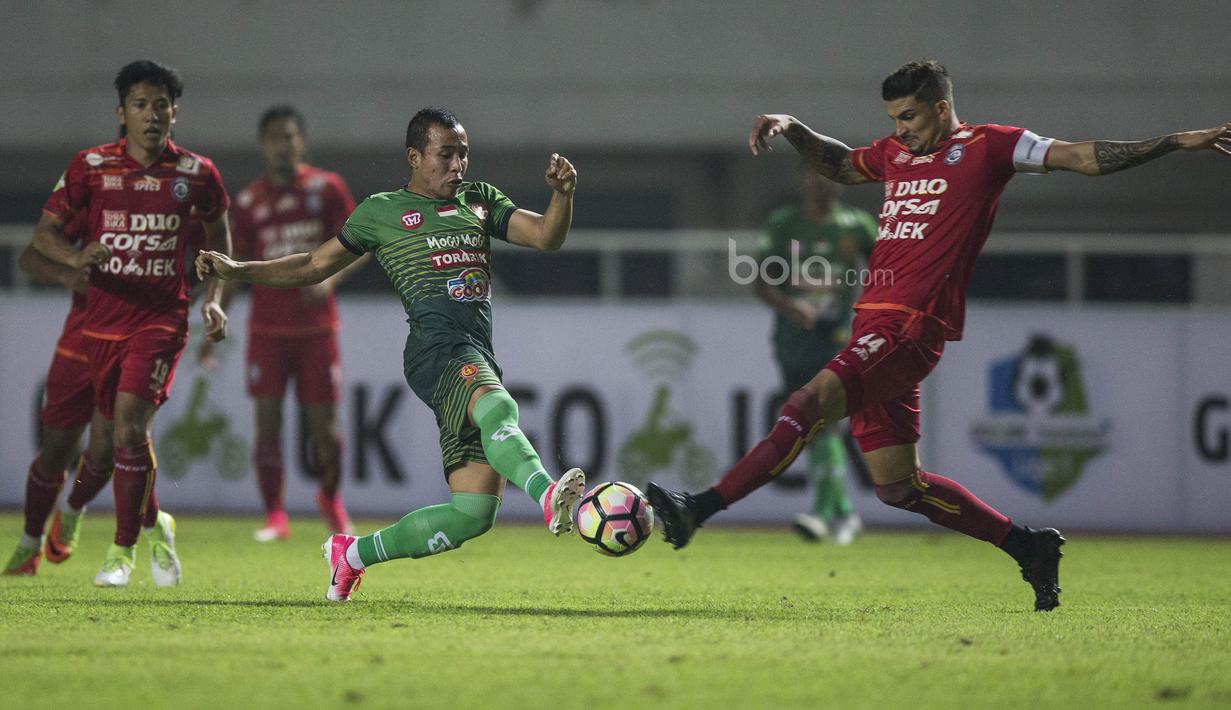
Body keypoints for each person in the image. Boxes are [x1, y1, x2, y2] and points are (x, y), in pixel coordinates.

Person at [648, 59, 1231, 611]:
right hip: (872, 322)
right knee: (899, 489)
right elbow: (841, 164)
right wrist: (793, 127)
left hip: (910, 325)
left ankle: (699, 507)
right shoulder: (896, 153)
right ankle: (1028, 546)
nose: (900, 129)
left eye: (909, 116)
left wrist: (1176, 142)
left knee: (806, 404)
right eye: (893, 118)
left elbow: (1081, 156)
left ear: (942, 107)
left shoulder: (991, 146)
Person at [196, 107, 586, 602]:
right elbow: (313, 264)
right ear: (414, 157)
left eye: (463, 154)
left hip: (473, 350)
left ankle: (352, 555)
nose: (457, 165)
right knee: (498, 406)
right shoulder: (381, 211)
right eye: (446, 155)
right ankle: (548, 494)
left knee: (472, 514)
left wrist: (562, 194)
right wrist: (238, 270)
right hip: (434, 350)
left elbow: (547, 236)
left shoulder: (479, 200)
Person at [32, 59, 232, 588]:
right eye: (140, 105)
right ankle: (156, 523)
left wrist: (214, 299)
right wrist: (75, 259)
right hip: (101, 325)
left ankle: (120, 553)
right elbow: (43, 236)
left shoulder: (197, 173)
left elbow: (220, 239)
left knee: (128, 428)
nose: (152, 114)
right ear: (122, 113)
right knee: (107, 446)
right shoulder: (91, 165)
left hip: (162, 319)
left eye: (161, 105)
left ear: (174, 113)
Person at [200, 105, 364, 541]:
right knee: (268, 424)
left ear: (301, 142)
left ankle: (331, 498)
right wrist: (216, 312)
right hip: (268, 330)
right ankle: (274, 514)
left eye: (289, 136)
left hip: (316, 329)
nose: (282, 145)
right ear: (263, 145)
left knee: (325, 430)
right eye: (274, 137)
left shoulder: (327, 188)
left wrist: (330, 280)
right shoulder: (249, 201)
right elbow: (235, 267)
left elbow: (362, 243)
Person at [754, 168, 876, 545]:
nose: (821, 183)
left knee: (825, 419)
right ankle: (844, 512)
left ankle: (823, 514)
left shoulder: (857, 225)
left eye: (828, 175)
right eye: (813, 175)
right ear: (802, 181)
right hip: (792, 341)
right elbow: (761, 281)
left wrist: (867, 313)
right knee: (810, 424)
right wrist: (791, 307)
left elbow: (887, 271)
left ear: (840, 181)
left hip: (835, 338)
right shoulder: (783, 223)